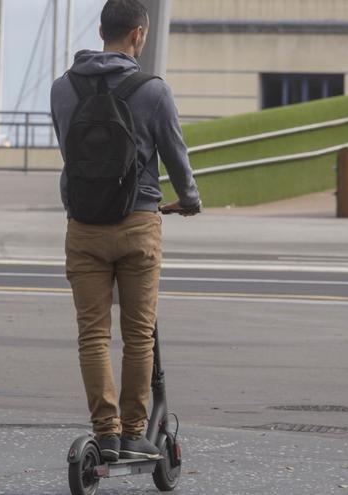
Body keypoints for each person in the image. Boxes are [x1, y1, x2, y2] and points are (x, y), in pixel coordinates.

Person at [50, 0, 201, 462]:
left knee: (93, 335)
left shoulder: (62, 88)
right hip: (138, 224)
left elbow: (69, 153)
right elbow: (176, 158)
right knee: (139, 336)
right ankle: (135, 430)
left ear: (101, 31)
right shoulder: (153, 90)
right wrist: (190, 200)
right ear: (138, 35)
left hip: (84, 226)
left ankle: (106, 433)